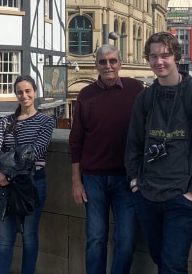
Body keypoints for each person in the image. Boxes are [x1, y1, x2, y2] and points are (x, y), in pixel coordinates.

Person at [125, 31, 192, 273]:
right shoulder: (144, 99)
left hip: (181, 197)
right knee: (160, 259)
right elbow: (133, 144)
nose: (159, 61)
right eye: (153, 56)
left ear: (176, 56)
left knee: (173, 265)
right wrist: (136, 182)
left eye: (165, 55)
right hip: (147, 195)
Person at [69, 44, 144, 274]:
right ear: (96, 66)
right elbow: (76, 141)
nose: (108, 66)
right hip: (93, 179)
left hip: (126, 178)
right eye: (103, 62)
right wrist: (76, 181)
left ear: (119, 63)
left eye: (112, 61)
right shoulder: (85, 94)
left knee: (127, 239)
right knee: (95, 239)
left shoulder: (136, 89)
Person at [0, 75, 55, 274]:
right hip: (5, 185)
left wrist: (7, 172)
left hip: (33, 183)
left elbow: (35, 152)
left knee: (29, 236)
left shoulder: (46, 121)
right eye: (19, 92)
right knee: (5, 238)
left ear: (35, 92)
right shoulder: (7, 121)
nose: (24, 95)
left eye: (28, 91)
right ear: (15, 94)